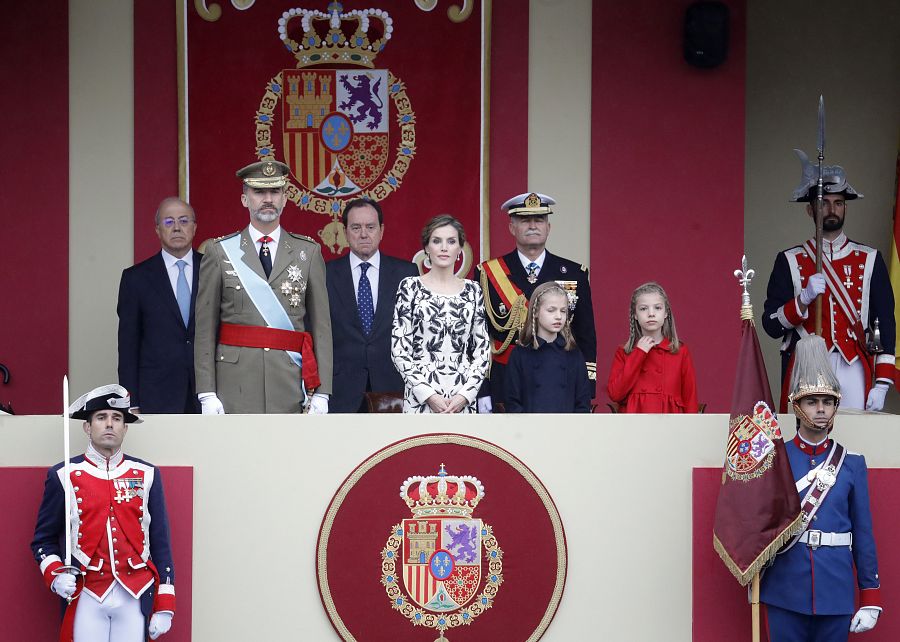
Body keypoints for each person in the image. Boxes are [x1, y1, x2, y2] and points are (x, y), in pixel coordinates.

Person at [31, 385, 176, 641]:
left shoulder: (147, 474)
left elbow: (161, 542)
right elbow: (43, 540)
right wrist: (55, 575)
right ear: (87, 427)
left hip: (135, 592)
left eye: (117, 418)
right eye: (101, 417)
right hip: (87, 593)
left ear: (125, 428)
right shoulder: (63, 475)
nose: (109, 424)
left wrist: (165, 605)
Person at [760, 336, 882, 640]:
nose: (821, 410)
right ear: (797, 406)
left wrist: (870, 597)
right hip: (784, 590)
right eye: (812, 402)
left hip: (836, 591)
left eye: (827, 402)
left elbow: (863, 534)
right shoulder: (777, 458)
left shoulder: (851, 464)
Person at [193, 160, 333, 414]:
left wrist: (322, 393)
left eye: (275, 191)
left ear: (285, 198)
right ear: (245, 199)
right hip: (234, 383)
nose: (268, 199)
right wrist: (206, 392)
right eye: (259, 192)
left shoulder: (308, 252)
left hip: (289, 382)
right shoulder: (220, 251)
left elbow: (322, 328)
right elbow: (205, 328)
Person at [762, 152, 895, 412]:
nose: (832, 209)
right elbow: (771, 324)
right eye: (824, 203)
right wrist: (803, 300)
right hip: (806, 363)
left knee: (856, 439)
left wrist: (882, 382)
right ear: (810, 209)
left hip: (853, 363)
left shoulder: (870, 259)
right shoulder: (789, 260)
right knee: (806, 438)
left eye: (838, 202)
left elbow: (886, 321)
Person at [476, 192, 597, 412]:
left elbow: (585, 334)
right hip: (504, 381)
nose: (533, 225)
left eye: (539, 220)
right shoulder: (488, 273)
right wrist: (483, 388)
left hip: (560, 381)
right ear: (512, 227)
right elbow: (479, 337)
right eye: (525, 220)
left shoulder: (574, 272)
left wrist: (587, 389)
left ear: (549, 227)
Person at [326, 198, 418, 412]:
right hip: (340, 390)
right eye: (356, 227)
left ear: (381, 230)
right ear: (345, 231)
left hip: (393, 390)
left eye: (370, 227)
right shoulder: (325, 274)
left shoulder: (407, 273)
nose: (364, 234)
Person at [391, 215, 490, 413]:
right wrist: (429, 395)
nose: (444, 247)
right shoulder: (410, 287)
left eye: (451, 241)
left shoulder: (473, 290)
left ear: (460, 248)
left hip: (462, 399)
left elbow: (482, 351)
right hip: (420, 400)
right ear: (426, 248)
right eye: (437, 241)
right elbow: (399, 350)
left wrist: (465, 395)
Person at [117, 197, 202, 414]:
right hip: (156, 395)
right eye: (168, 222)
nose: (176, 228)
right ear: (157, 230)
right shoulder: (136, 278)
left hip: (207, 393)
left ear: (194, 227)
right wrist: (130, 401)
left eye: (184, 221)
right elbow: (128, 346)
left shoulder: (213, 270)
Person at [607, 282, 699, 413]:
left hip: (670, 423)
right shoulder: (625, 351)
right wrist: (639, 353)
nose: (651, 313)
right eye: (643, 309)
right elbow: (615, 394)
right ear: (635, 315)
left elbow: (690, 397)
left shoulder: (680, 351)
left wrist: (691, 430)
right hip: (634, 423)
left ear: (666, 313)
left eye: (657, 308)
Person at [505, 281, 591, 413]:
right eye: (551, 310)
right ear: (536, 312)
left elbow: (582, 402)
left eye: (563, 311)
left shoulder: (573, 354)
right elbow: (512, 401)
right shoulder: (521, 354)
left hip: (567, 430)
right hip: (529, 430)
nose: (558, 316)